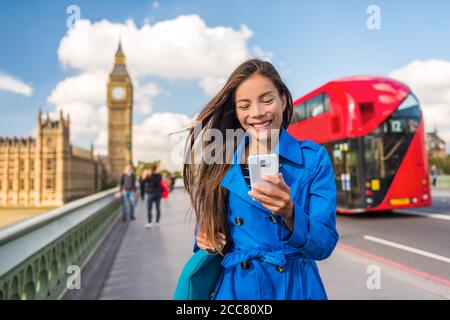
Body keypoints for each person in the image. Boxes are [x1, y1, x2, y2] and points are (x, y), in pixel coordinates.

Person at [183, 59, 338, 300]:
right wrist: (204, 238)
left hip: (295, 288)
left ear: (283, 100)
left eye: (267, 100)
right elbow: (206, 229)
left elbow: (325, 244)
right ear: (236, 111)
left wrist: (290, 212)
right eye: (244, 105)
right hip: (237, 290)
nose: (257, 113)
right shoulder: (220, 160)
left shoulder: (313, 159)